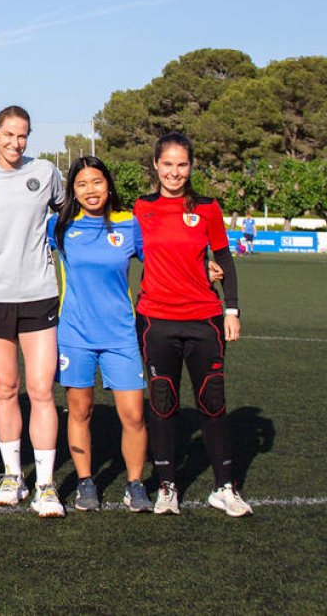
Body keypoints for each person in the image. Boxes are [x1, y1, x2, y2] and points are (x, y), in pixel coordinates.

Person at [134, 132, 250, 517]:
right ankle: (167, 487)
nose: (174, 172)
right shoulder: (140, 208)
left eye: (181, 164)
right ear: (155, 165)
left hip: (205, 319)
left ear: (191, 166)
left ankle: (225, 487)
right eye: (167, 164)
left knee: (213, 402)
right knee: (163, 403)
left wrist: (231, 310)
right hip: (156, 320)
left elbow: (224, 259)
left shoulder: (208, 208)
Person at [0, 105, 66, 518]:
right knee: (6, 389)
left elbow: (70, 211)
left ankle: (46, 484)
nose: (16, 143)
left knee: (43, 390)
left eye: (23, 135)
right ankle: (13, 475)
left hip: (38, 295)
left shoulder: (46, 172)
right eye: (9, 134)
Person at [48, 156, 151, 513]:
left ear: (109, 186)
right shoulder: (60, 227)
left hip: (121, 335)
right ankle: (85, 482)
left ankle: (135, 484)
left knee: (134, 414)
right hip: (75, 334)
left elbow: (161, 258)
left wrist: (205, 265)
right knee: (80, 411)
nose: (91, 190)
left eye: (97, 182)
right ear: (73, 192)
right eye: (82, 184)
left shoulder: (129, 224)